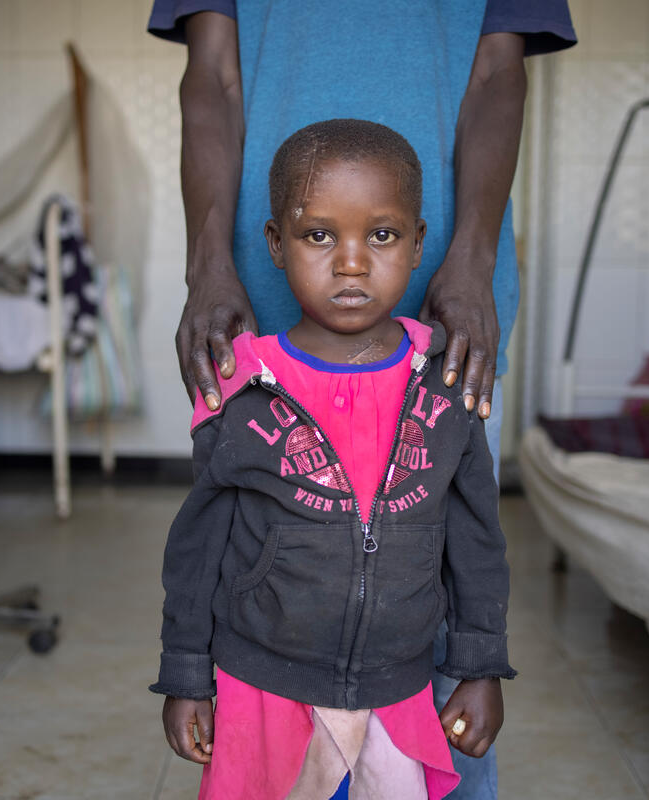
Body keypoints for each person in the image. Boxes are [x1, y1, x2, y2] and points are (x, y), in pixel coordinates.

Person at [146, 4, 575, 795]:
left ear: (409, 240)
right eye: (319, 238)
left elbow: (496, 71)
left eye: (380, 236)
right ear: (284, 241)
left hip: (450, 308)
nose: (349, 261)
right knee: (268, 581)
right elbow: (212, 74)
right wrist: (208, 260)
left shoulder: (442, 393)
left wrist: (470, 261)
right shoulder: (249, 384)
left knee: (432, 568)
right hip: (257, 304)